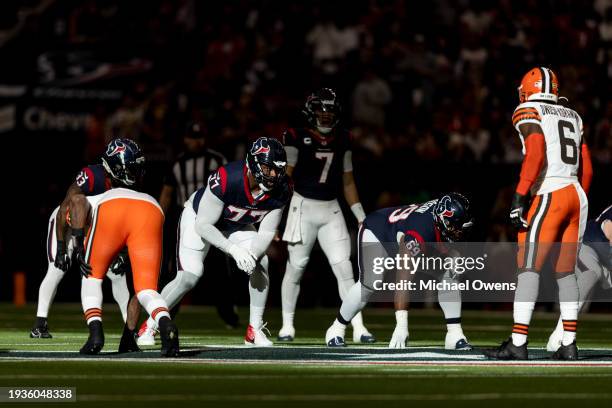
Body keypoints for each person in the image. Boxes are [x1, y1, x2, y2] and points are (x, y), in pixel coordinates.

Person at [137, 137, 291, 347]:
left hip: (235, 224)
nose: (273, 175)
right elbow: (203, 225)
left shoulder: (283, 188)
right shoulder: (229, 177)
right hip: (201, 218)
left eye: (277, 169)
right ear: (254, 164)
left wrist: (252, 255)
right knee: (189, 277)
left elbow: (267, 232)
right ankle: (150, 325)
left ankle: (254, 330)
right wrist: (233, 250)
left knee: (261, 263)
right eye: (267, 168)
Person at [485, 67, 593, 361]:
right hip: (576, 195)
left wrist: (520, 194)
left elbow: (535, 151)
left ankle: (518, 342)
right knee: (566, 272)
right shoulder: (573, 115)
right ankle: (569, 344)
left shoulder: (529, 108)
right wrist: (577, 200)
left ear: (529, 89)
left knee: (529, 268)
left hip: (550, 192)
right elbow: (588, 168)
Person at [279, 88, 374, 343]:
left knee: (345, 269)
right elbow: (285, 179)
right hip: (302, 206)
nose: (325, 115)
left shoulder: (343, 138)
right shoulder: (296, 137)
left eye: (329, 110)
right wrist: (276, 215)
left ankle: (358, 326)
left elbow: (348, 181)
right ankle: (287, 324)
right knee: (296, 267)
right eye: (321, 110)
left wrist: (361, 217)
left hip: (331, 208)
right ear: (310, 112)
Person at [325, 193, 474, 349]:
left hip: (416, 236)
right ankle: (337, 328)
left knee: (451, 272)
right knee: (370, 282)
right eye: (455, 226)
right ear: (442, 220)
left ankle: (454, 334)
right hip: (379, 232)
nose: (459, 232)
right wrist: (401, 326)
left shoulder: (440, 218)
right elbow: (403, 280)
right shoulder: (419, 231)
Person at [75, 139, 179, 357]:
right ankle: (165, 324)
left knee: (92, 277)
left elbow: (77, 201)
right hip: (151, 210)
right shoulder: (151, 199)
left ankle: (95, 333)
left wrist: (77, 241)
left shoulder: (100, 196)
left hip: (111, 207)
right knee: (146, 289)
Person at [30, 141, 133, 338]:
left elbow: (122, 223)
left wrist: (122, 251)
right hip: (68, 224)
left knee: (117, 274)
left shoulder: (124, 186)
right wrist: (62, 247)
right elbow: (64, 209)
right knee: (57, 269)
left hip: (94, 227)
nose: (133, 172)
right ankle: (39, 324)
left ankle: (129, 326)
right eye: (129, 167)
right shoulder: (93, 176)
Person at [547, 204, 612, 351]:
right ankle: (559, 336)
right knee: (591, 272)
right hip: (585, 244)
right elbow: (608, 236)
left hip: (601, 255)